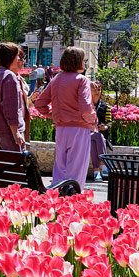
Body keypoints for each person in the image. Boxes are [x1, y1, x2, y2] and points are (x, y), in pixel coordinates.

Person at [33, 46, 98, 190]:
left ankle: (56, 202)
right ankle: (72, 202)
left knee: (60, 168)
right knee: (76, 170)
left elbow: (39, 104)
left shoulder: (56, 79)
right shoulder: (81, 80)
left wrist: (57, 115)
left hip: (61, 129)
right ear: (79, 61)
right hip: (79, 129)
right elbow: (86, 108)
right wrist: (94, 121)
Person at [0, 43, 28, 151]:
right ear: (10, 57)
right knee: (15, 164)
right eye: (17, 56)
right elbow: (10, 109)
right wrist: (16, 132)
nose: (19, 59)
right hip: (10, 132)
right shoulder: (9, 76)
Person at [90, 81, 111, 182]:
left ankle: (96, 172)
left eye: (99, 89)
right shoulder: (86, 105)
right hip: (86, 133)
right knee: (97, 137)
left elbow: (109, 122)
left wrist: (106, 127)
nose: (97, 91)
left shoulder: (105, 106)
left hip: (100, 136)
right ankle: (104, 164)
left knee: (96, 140)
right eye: (94, 89)